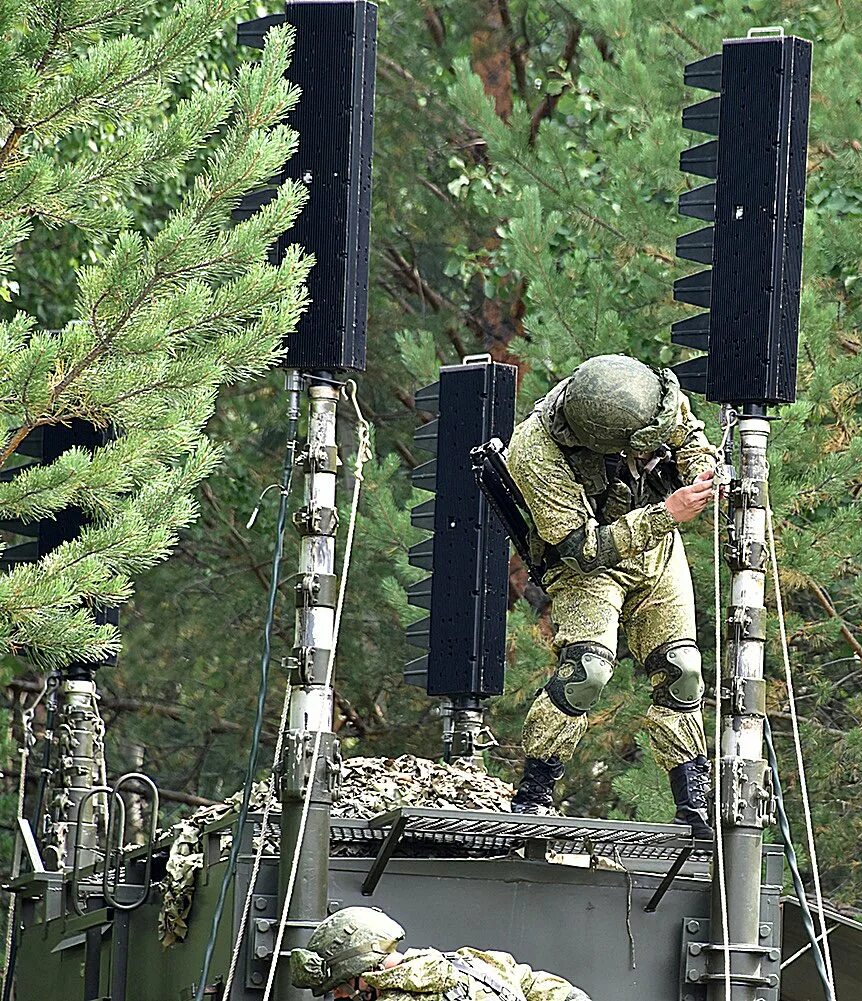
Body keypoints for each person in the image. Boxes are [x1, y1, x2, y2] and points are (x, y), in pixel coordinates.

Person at [502, 354, 717, 837]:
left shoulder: (641, 396)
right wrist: (667, 513)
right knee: (588, 673)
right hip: (588, 564)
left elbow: (689, 436)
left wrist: (701, 473)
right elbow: (583, 549)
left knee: (682, 668)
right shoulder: (536, 454)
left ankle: (692, 800)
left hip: (656, 551)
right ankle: (534, 792)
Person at [289, 906, 591, 1001]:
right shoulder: (470, 962)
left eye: (340, 988)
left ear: (360, 973)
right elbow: (543, 987)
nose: (339, 997)